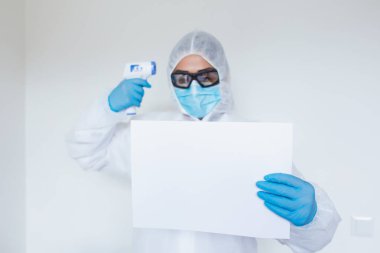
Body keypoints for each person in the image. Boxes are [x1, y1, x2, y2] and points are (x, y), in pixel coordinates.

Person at [66, 30, 341, 253]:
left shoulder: (256, 142)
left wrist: (311, 216)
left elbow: (313, 240)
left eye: (206, 76)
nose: (194, 87)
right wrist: (108, 107)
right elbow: (87, 151)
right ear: (171, 82)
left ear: (223, 77)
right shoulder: (149, 133)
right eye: (183, 78)